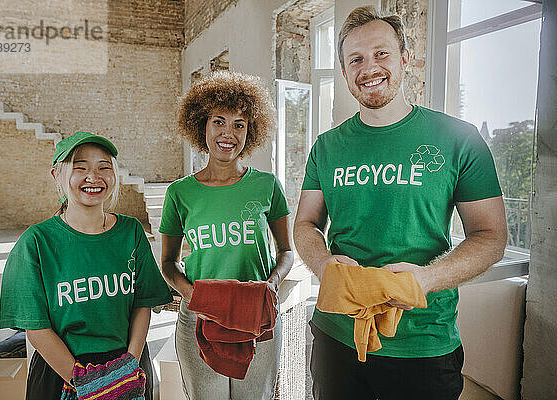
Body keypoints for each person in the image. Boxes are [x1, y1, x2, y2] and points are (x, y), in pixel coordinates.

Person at [293, 6, 508, 400]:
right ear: (344, 73)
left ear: (405, 58)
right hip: (336, 333)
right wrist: (323, 264)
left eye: (381, 53)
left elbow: (491, 236)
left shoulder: (459, 139)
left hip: (423, 342)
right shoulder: (326, 147)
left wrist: (423, 279)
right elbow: (305, 224)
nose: (368, 67)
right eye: (355, 59)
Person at [0, 131, 173, 400]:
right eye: (80, 168)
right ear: (57, 175)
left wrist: (126, 370)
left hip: (128, 367)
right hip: (62, 374)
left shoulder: (131, 232)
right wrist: (83, 381)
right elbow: (36, 325)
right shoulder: (36, 242)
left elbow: (142, 303)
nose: (94, 177)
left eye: (104, 167)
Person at [159, 71, 294, 400]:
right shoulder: (180, 193)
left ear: (251, 131)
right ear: (201, 125)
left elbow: (286, 251)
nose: (228, 133)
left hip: (256, 315)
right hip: (199, 316)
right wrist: (193, 295)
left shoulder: (266, 186)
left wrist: (272, 285)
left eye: (239, 124)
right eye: (219, 121)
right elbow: (167, 263)